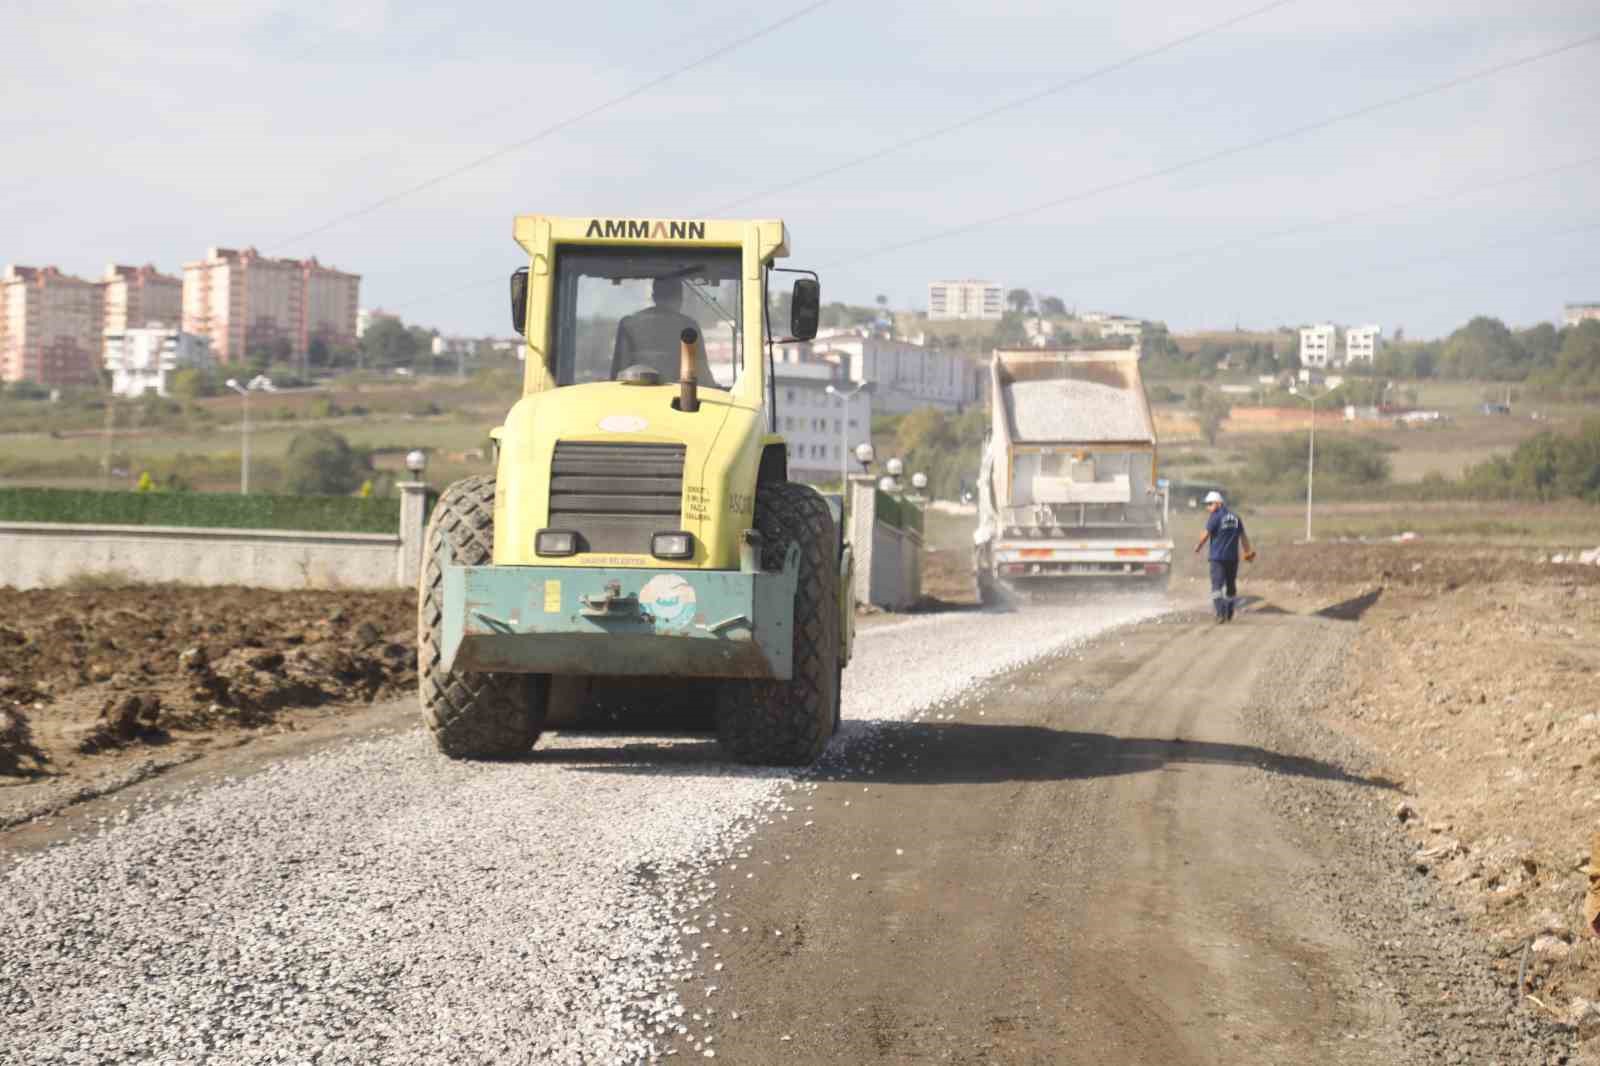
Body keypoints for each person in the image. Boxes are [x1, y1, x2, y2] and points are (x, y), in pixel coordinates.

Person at [611, 276, 714, 384]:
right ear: (680, 298)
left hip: (633, 396)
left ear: (653, 297)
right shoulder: (689, 326)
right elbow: (702, 373)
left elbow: (617, 377)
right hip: (683, 397)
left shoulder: (629, 324)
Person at [1193, 490, 1254, 623]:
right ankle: (1230, 611)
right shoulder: (1236, 517)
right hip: (1232, 558)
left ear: (1218, 503)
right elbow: (1243, 537)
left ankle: (1220, 613)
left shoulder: (1215, 517)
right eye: (1206, 504)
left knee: (1217, 586)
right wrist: (1248, 552)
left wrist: (1198, 546)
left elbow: (1206, 534)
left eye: (1209, 504)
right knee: (1231, 586)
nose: (1207, 507)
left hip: (1217, 558)